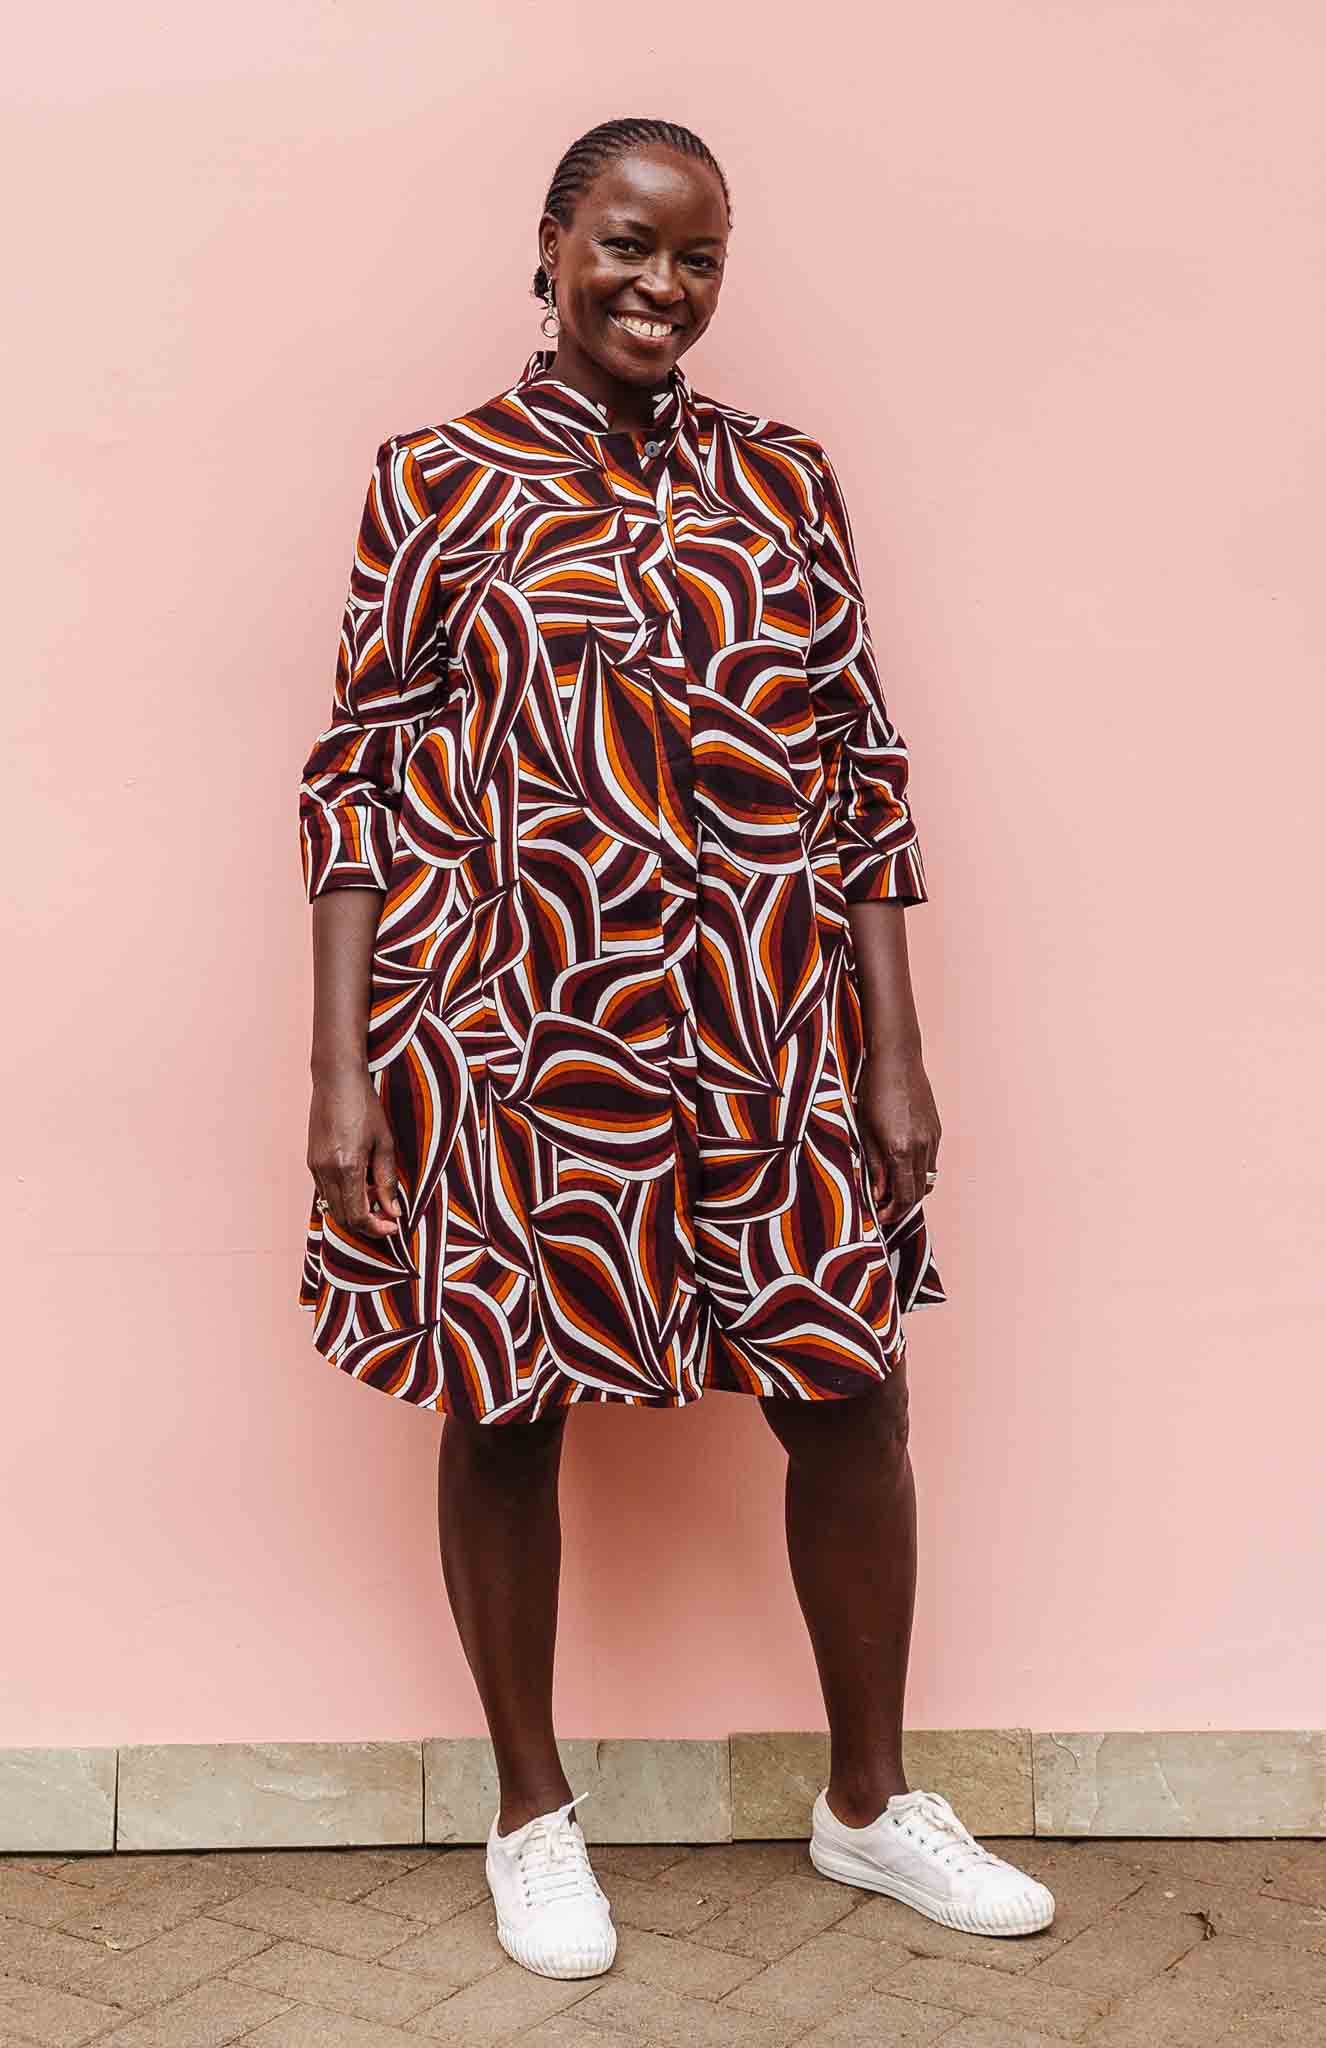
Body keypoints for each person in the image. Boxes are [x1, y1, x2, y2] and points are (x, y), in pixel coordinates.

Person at [297, 114, 1054, 1981]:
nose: (665, 286)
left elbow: (861, 769)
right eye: (629, 245)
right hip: (513, 1015)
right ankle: (532, 1816)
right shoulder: (439, 478)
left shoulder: (785, 480)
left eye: (700, 259)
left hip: (767, 1022)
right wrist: (336, 1067)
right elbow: (356, 784)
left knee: (850, 1389)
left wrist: (895, 1043)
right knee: (504, 1399)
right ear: (551, 244)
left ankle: (871, 1805)